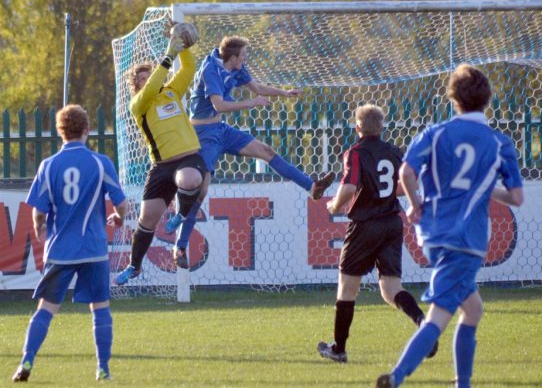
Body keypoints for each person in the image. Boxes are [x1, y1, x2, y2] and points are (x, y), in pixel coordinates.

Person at [376, 64, 524, 388]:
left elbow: (406, 173)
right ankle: (397, 377)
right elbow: (516, 197)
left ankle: (463, 383)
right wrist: (485, 189)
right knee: (439, 315)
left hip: (431, 233)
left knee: (472, 310)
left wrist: (415, 205)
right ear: (487, 100)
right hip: (466, 238)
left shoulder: (435, 132)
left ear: (453, 98)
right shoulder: (499, 142)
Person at [168, 35, 335, 268]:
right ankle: (181, 246)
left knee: (266, 151)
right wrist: (252, 103)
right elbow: (220, 106)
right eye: (243, 56)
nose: (245, 59)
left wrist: (283, 93)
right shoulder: (210, 70)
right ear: (233, 57)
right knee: (200, 192)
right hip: (203, 136)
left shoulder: (235, 65)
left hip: (222, 130)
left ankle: (312, 186)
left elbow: (256, 87)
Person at [12, 104, 127, 382]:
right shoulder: (101, 163)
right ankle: (103, 368)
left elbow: (38, 211)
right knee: (100, 308)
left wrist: (40, 227)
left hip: (60, 250)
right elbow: (121, 203)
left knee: (46, 309)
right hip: (94, 249)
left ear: (59, 131)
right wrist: (118, 217)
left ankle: (27, 361)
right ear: (87, 129)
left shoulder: (48, 165)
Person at [316, 104, 436, 364]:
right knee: (391, 288)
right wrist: (384, 192)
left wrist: (334, 205)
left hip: (365, 224)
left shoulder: (355, 153)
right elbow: (408, 184)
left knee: (347, 288)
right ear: (381, 126)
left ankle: (338, 348)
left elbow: (348, 188)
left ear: (357, 127)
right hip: (392, 222)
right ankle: (423, 323)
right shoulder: (393, 151)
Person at [115, 27, 208, 284]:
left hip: (188, 157)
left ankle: (181, 214)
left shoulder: (170, 92)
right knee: (147, 219)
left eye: (151, 75)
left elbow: (187, 70)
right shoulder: (139, 104)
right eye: (144, 78)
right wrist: (168, 54)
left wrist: (184, 46)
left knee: (190, 180)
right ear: (137, 86)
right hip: (161, 166)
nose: (151, 79)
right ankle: (134, 266)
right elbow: (156, 82)